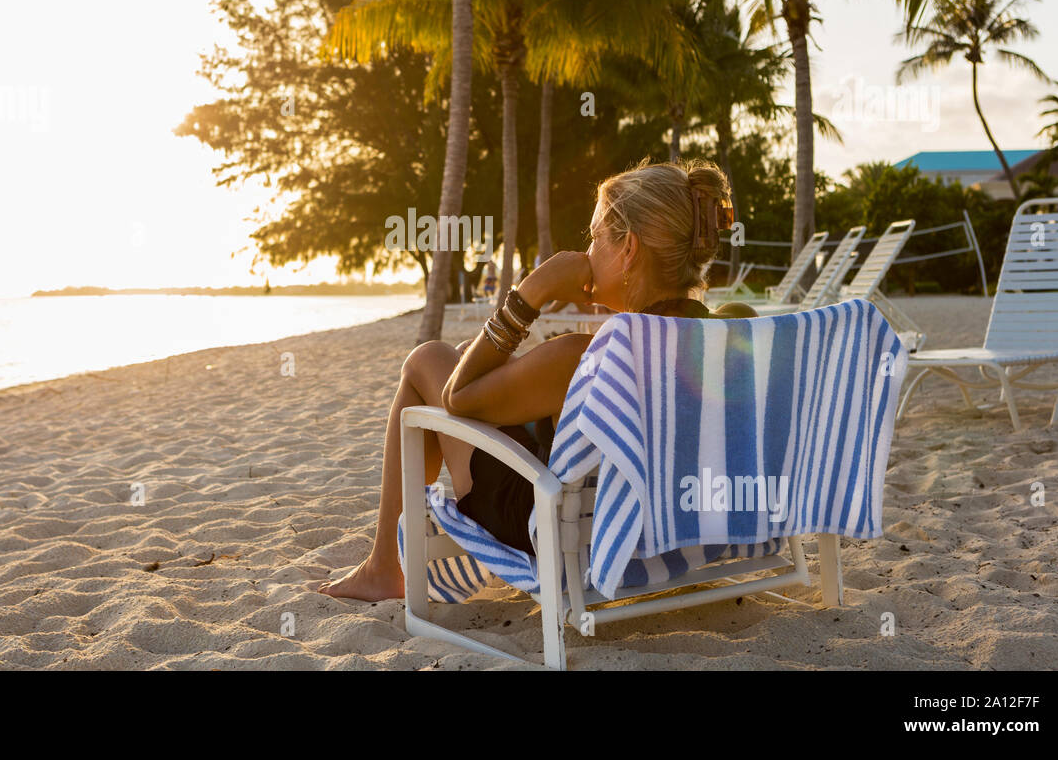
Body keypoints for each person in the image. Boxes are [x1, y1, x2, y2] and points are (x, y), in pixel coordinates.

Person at [317, 157, 749, 600]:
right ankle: (386, 565)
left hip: (551, 526)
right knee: (467, 355)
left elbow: (457, 398)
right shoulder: (732, 335)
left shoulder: (587, 357)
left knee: (427, 360)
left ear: (629, 250)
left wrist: (531, 293)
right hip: (672, 524)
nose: (585, 253)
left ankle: (386, 567)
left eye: (596, 237)